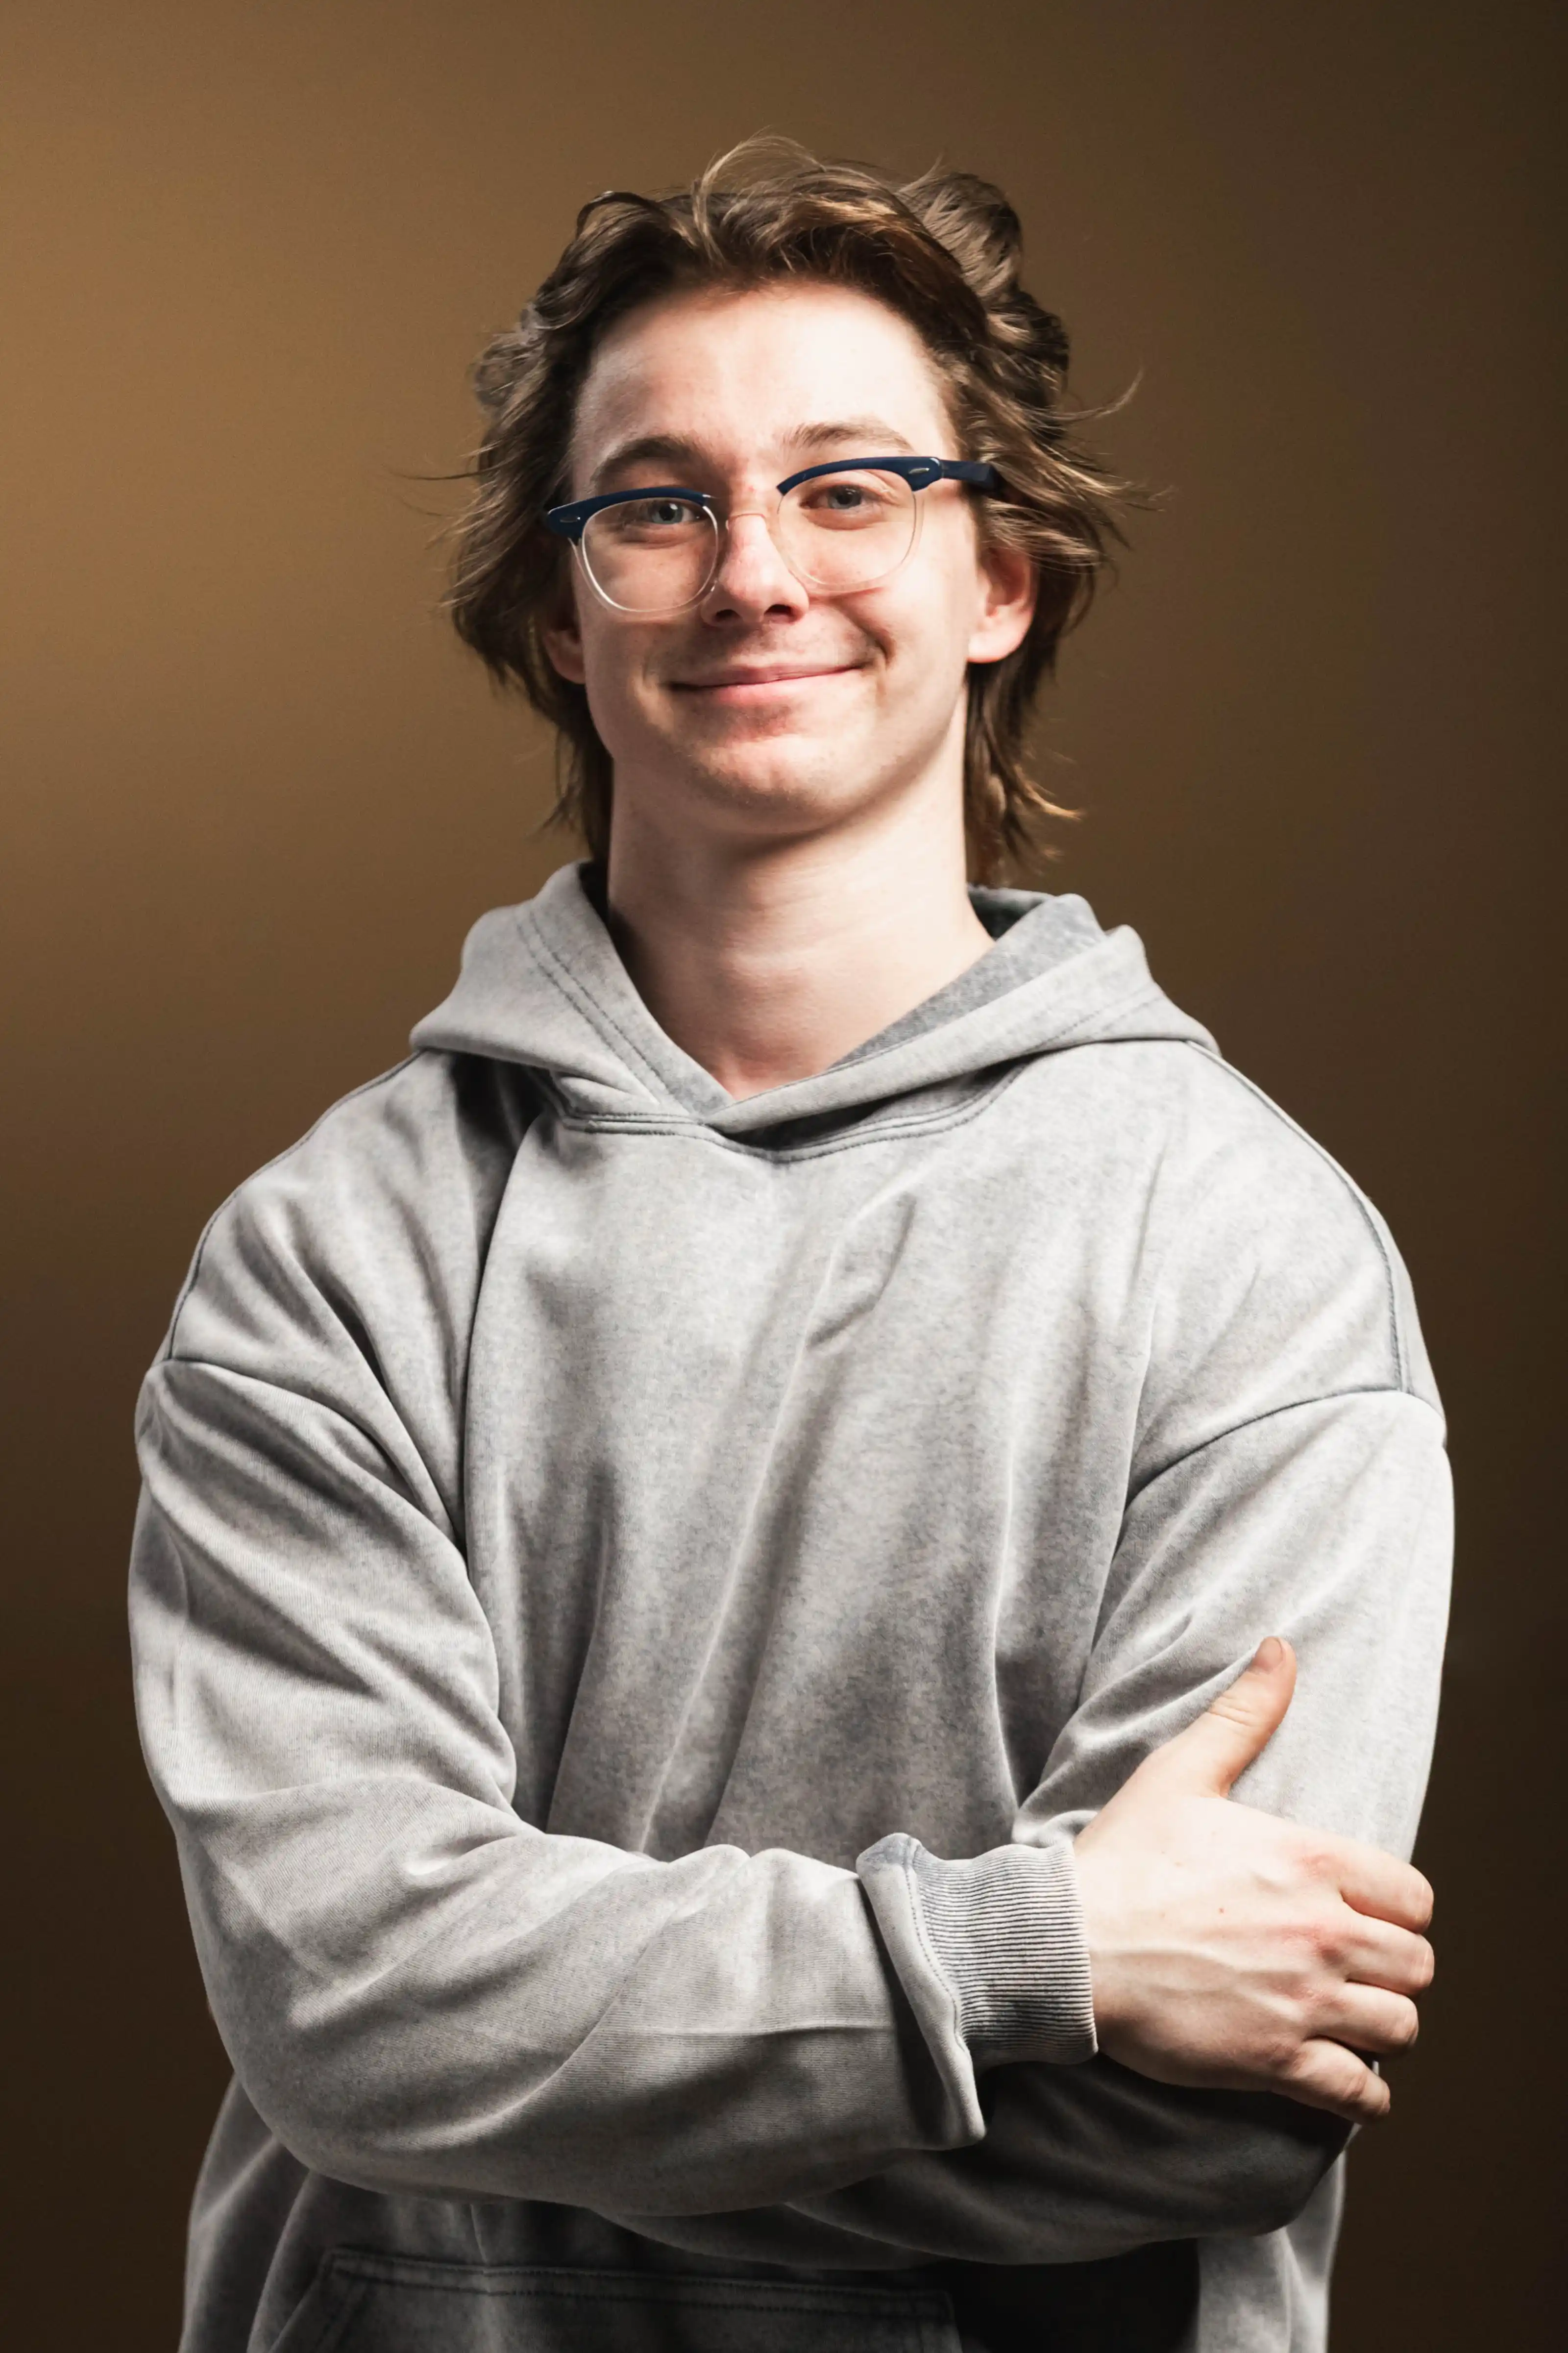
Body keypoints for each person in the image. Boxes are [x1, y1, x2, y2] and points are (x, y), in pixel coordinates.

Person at [129, 143, 1450, 2353]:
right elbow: (346, 2014)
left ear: (998, 577)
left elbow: (1210, 2117)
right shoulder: (325, 1259)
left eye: (852, 491)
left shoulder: (1246, 1248)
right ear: (563, 614)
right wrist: (1034, 1961)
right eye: (657, 503)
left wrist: (534, 2099)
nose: (755, 572)